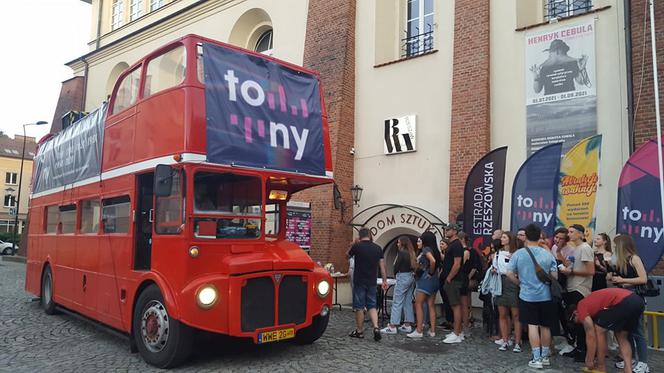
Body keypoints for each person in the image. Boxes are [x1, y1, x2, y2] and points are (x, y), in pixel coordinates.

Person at [506, 223, 558, 369]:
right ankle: (545, 356)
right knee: (545, 327)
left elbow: (509, 273)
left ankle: (536, 358)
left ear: (526, 237)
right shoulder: (547, 254)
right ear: (539, 236)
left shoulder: (519, 254)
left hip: (527, 295)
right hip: (546, 295)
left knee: (533, 326)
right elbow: (554, 276)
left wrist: (520, 283)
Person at [574, 287, 645, 373]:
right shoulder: (592, 302)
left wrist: (589, 359)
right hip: (638, 301)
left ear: (574, 313)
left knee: (599, 330)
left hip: (624, 301)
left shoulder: (581, 306)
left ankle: (601, 367)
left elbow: (591, 337)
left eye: (575, 320)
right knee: (622, 337)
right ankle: (628, 369)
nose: (580, 322)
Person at [610, 235, 649, 373]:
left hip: (635, 298)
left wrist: (623, 280)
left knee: (638, 331)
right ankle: (630, 358)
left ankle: (643, 362)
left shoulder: (634, 258)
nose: (614, 247)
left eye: (616, 245)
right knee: (628, 331)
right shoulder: (620, 261)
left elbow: (643, 278)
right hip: (623, 297)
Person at [559, 224, 595, 362]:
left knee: (580, 320)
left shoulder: (585, 248)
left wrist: (571, 272)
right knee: (573, 320)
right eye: (568, 231)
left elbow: (590, 271)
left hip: (581, 288)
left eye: (572, 232)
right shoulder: (576, 249)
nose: (569, 234)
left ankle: (582, 351)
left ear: (581, 234)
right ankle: (578, 347)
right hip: (572, 286)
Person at [347, 228, 388, 341]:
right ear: (370, 235)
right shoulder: (378, 248)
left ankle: (359, 331)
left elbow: (347, 255)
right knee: (372, 305)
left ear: (360, 236)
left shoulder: (357, 247)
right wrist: (384, 281)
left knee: (359, 306)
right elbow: (382, 267)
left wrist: (354, 244)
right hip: (372, 281)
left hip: (359, 280)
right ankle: (376, 327)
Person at [407, 231, 441, 338]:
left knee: (418, 304)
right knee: (431, 305)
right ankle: (432, 331)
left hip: (425, 280)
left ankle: (419, 330)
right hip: (435, 280)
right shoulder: (436, 250)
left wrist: (430, 272)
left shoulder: (426, 250)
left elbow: (433, 261)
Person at [381, 236, 417, 334]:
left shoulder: (401, 253)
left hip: (402, 276)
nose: (397, 244)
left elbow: (396, 266)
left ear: (402, 243)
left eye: (398, 242)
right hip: (410, 276)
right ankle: (407, 324)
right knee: (407, 301)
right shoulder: (411, 253)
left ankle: (392, 326)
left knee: (397, 301)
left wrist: (395, 273)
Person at [494, 231, 522, 352]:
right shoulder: (497, 253)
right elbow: (496, 267)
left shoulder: (517, 254)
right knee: (502, 314)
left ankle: (517, 342)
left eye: (504, 237)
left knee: (516, 315)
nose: (502, 239)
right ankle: (505, 340)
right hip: (501, 282)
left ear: (510, 239)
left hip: (513, 282)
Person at [441, 223, 465, 344]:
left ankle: (456, 333)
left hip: (454, 280)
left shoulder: (456, 245)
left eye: (448, 229)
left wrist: (449, 277)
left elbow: (457, 264)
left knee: (456, 306)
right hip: (452, 279)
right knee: (454, 305)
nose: (446, 231)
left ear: (455, 231)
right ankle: (458, 332)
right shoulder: (453, 244)